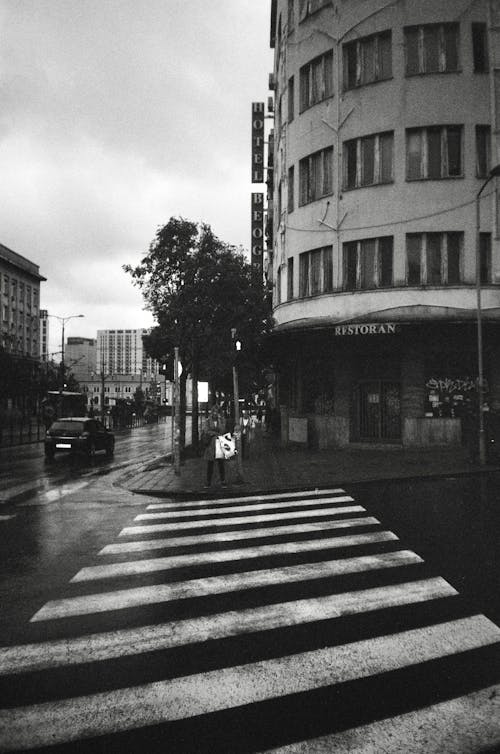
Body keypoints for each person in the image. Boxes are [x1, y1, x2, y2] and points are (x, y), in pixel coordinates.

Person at [202, 404, 227, 488]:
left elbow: (223, 429)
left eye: (217, 412)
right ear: (211, 412)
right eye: (214, 412)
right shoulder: (208, 420)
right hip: (211, 445)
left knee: (221, 464)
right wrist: (215, 432)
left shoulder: (222, 420)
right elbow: (206, 430)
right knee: (210, 464)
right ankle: (208, 482)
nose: (215, 413)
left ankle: (223, 481)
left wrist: (214, 431)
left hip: (220, 444)